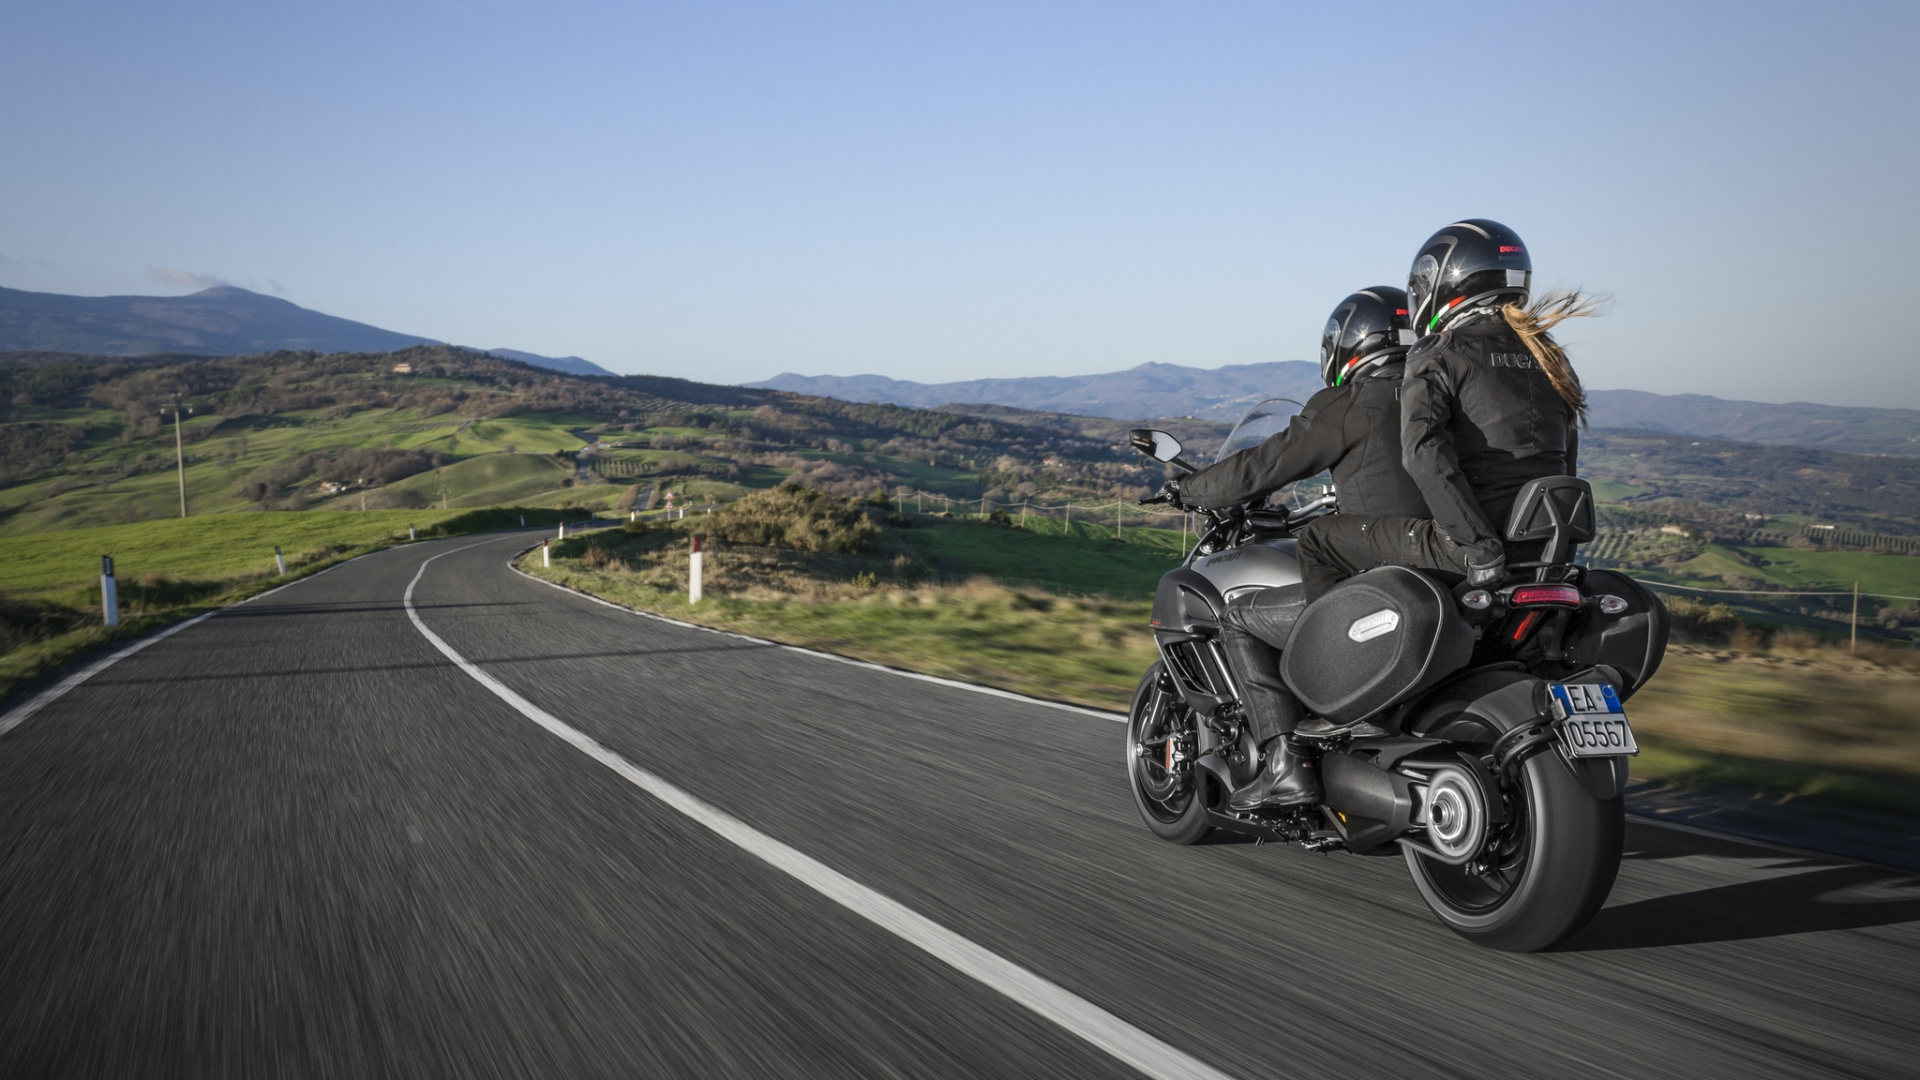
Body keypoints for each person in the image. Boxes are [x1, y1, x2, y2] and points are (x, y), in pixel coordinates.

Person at [1156, 287, 1428, 809]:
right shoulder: (1436, 395)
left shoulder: (1352, 403)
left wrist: (1189, 490)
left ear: (1346, 345)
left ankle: (1284, 764)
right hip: (1448, 566)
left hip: (1379, 584)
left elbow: (1264, 465)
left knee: (1239, 616)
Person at [1290, 219, 1592, 597]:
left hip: (1473, 547)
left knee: (1318, 538)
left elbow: (1422, 453)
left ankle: (1327, 650)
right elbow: (1568, 461)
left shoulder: (1441, 351)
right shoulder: (1549, 355)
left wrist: (1480, 550)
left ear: (1444, 279)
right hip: (1544, 550)